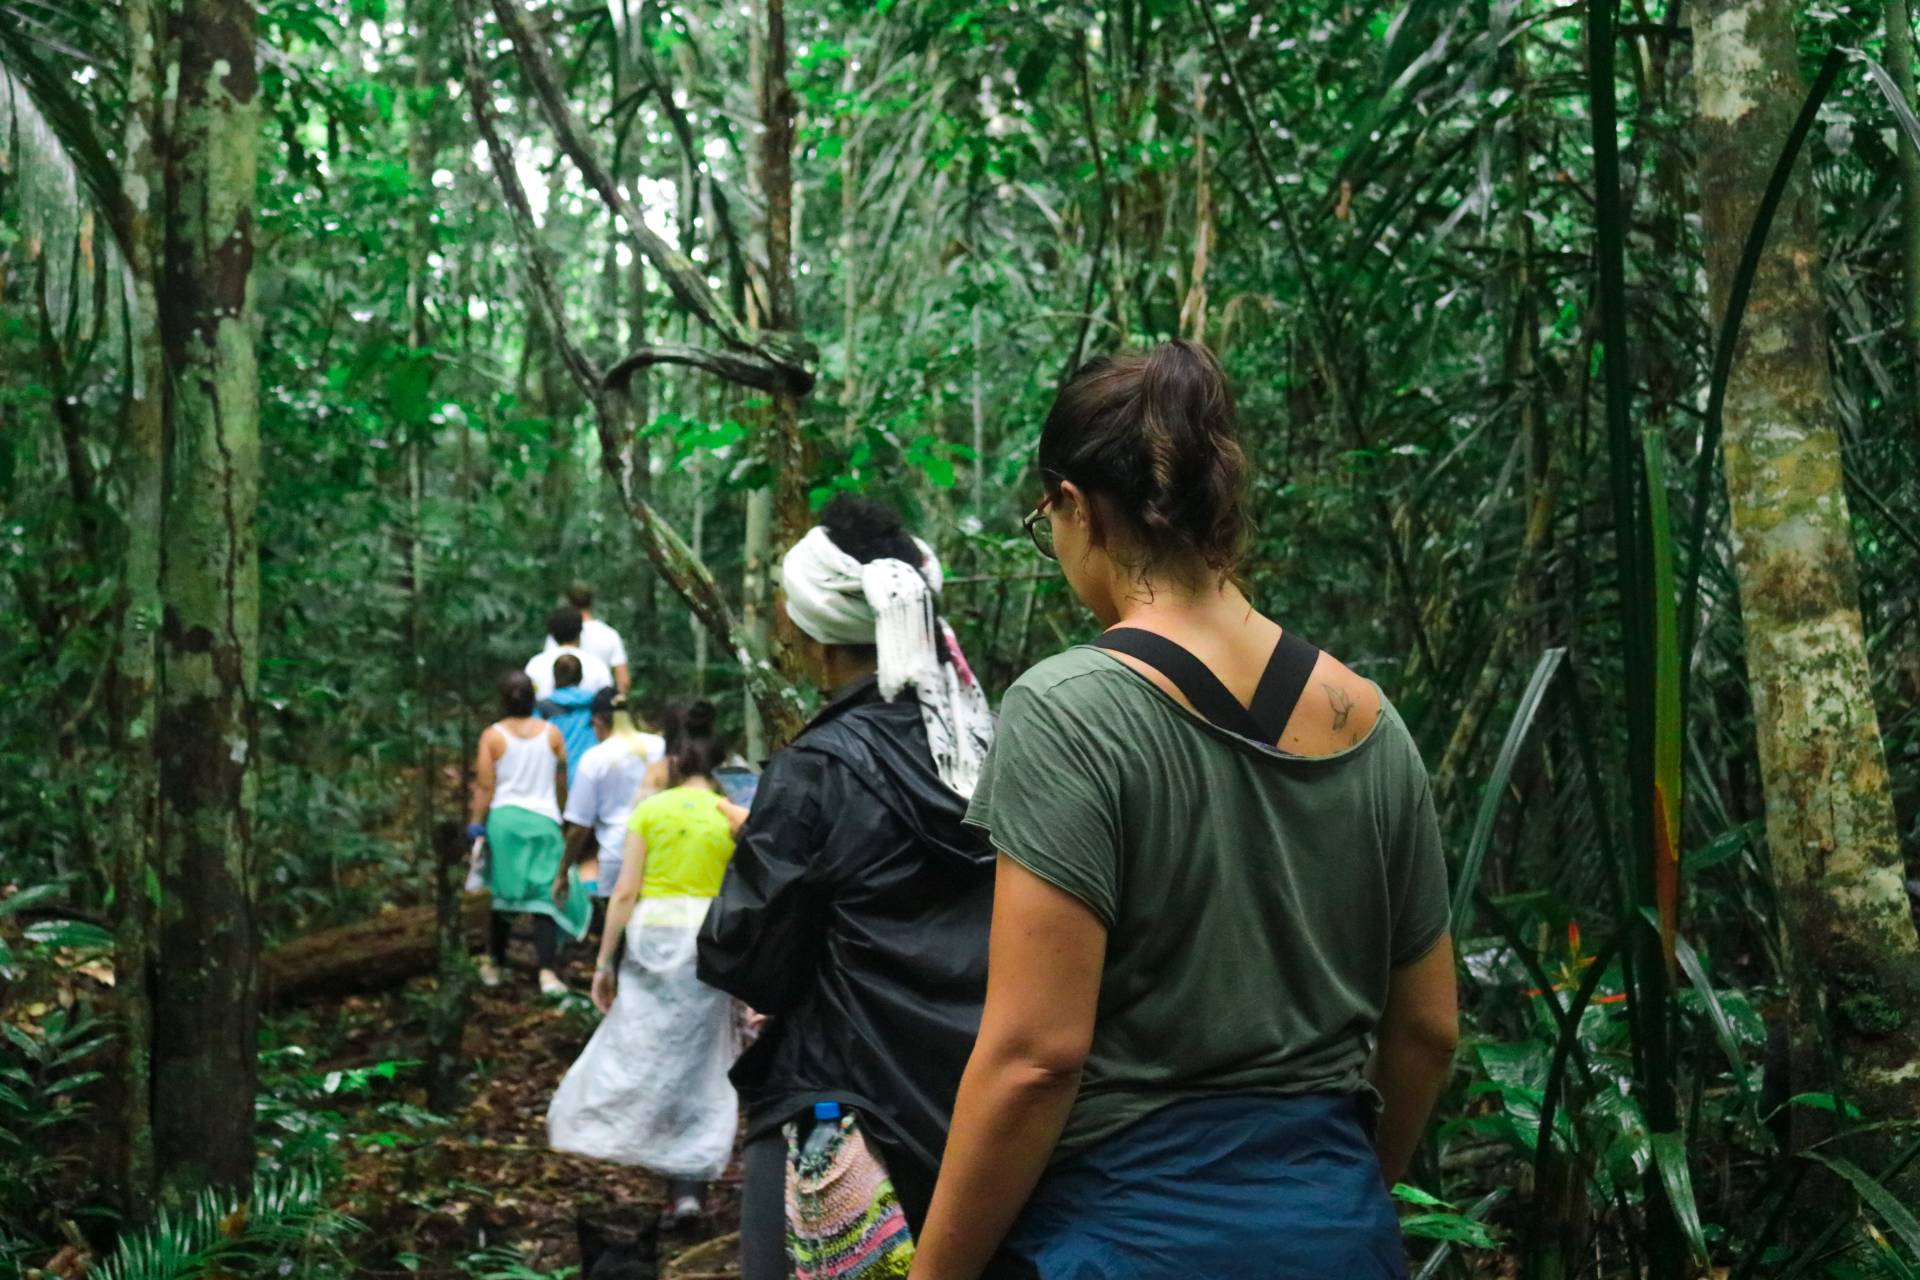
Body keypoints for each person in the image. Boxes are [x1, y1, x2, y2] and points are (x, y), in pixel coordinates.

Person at [908, 341, 1460, 1280]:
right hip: (1337, 1231)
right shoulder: (1371, 719)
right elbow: (1428, 1030)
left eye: (1048, 520)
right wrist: (1336, 1202)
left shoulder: (1067, 709)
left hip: (1130, 1236)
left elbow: (1036, 1059)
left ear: (1077, 508)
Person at [697, 495, 997, 1279]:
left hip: (844, 1105)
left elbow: (742, 954)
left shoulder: (816, 770)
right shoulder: (987, 747)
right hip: (990, 1121)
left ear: (807, 632)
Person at [548, 700, 744, 1232]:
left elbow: (626, 891)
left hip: (653, 934)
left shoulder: (651, 812)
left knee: (649, 1043)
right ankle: (688, 1185)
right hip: (709, 937)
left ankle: (645, 1152)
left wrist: (603, 963)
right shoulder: (731, 818)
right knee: (701, 1057)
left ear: (673, 762)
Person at [469, 671, 593, 996]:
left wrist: (476, 823)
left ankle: (494, 963)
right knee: (544, 900)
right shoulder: (552, 734)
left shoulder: (492, 736)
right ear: (533, 699)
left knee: (503, 896)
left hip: (504, 823)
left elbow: (485, 785)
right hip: (544, 823)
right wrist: (564, 814)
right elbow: (562, 779)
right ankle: (547, 973)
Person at [555, 687, 666, 906]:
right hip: (660, 850)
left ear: (597, 721)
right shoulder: (659, 746)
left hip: (617, 854)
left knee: (618, 929)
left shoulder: (594, 758)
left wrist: (563, 871)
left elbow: (579, 826)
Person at [544, 580, 631, 696]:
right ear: (591, 602)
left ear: (569, 601)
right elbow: (623, 680)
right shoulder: (610, 634)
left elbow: (545, 668)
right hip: (597, 704)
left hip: (560, 703)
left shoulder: (559, 632)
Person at [538, 654, 599, 788]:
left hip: (556, 782)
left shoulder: (544, 708)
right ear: (581, 677)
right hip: (592, 778)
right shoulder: (596, 704)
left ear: (554, 677)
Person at [527, 606, 613, 699]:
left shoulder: (535, 665)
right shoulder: (597, 666)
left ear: (552, 633)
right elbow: (607, 702)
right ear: (580, 631)